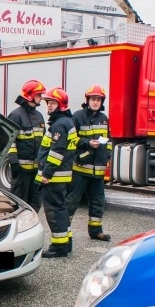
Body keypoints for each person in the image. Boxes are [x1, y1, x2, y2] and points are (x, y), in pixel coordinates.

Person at [35, 87, 78, 258]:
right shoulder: (67, 122)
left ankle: (59, 247)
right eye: (48, 102)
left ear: (61, 105)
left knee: (54, 211)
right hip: (62, 175)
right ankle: (66, 243)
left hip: (54, 176)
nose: (49, 106)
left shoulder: (59, 125)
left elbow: (56, 152)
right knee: (62, 209)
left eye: (53, 103)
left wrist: (47, 174)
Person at [66, 84, 112, 242]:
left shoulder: (104, 119)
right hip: (81, 169)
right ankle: (64, 232)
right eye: (93, 99)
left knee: (98, 201)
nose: (95, 102)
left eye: (98, 99)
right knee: (72, 201)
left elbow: (109, 139)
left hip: (97, 171)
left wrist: (108, 154)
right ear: (87, 100)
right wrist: (87, 143)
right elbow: (71, 139)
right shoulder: (78, 117)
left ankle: (96, 231)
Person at [6, 79, 46, 211]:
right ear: (31, 95)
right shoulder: (16, 115)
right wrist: (14, 162)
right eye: (39, 95)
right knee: (18, 204)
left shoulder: (39, 116)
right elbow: (9, 141)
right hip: (21, 171)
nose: (41, 98)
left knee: (35, 204)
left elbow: (44, 142)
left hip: (36, 171)